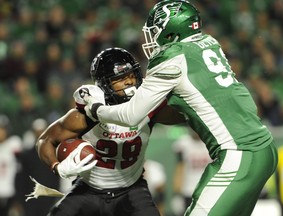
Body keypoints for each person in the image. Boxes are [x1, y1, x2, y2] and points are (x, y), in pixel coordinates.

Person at [83, 1, 279, 215]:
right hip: (264, 149)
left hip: (238, 154)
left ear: (172, 31)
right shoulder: (208, 42)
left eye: (156, 31)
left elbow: (130, 115)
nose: (152, 38)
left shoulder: (171, 58)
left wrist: (96, 109)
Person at [35, 47, 186, 216]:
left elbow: (185, 116)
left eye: (131, 75)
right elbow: (45, 140)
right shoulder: (86, 115)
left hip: (131, 190)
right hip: (89, 189)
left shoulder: (150, 108)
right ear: (104, 84)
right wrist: (57, 167)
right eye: (120, 78)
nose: (129, 82)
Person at [171, 127, 211, 216]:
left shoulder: (211, 142)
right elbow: (179, 168)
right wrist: (177, 193)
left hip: (208, 189)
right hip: (189, 190)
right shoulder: (184, 142)